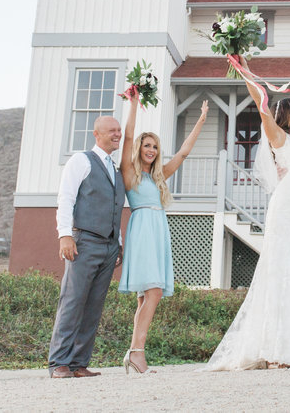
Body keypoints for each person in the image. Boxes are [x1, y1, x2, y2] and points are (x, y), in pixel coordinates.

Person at [205, 58, 290, 370]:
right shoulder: (278, 136)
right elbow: (261, 103)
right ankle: (275, 351)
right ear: (284, 114)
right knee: (279, 273)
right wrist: (244, 70)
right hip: (284, 211)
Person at [118, 89, 208, 374]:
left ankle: (134, 353)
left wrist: (202, 120)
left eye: (154, 147)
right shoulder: (130, 173)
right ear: (139, 149)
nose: (150, 150)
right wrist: (133, 104)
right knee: (153, 292)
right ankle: (137, 352)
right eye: (147, 145)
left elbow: (183, 152)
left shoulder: (158, 176)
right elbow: (129, 137)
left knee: (146, 297)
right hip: (142, 230)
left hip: (158, 231)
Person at [48, 115, 125, 379]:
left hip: (109, 245)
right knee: (72, 300)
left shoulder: (115, 169)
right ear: (97, 134)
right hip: (84, 241)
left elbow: (115, 207)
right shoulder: (81, 160)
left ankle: (79, 363)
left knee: (94, 305)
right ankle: (59, 361)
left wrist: (119, 242)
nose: (117, 134)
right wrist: (64, 235)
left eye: (119, 130)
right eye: (112, 131)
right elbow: (66, 198)